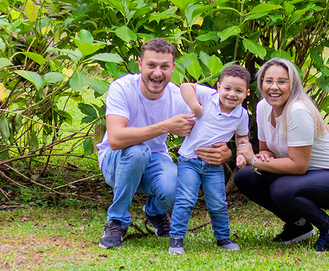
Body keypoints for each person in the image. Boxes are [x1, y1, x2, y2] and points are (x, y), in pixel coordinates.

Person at [94, 39, 232, 249]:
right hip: (117, 160)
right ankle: (117, 221)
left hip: (155, 158)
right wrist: (165, 126)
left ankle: (154, 211)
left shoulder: (179, 97)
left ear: (173, 68)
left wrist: (225, 151)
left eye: (164, 67)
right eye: (151, 65)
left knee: (180, 187)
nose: (157, 73)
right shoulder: (122, 88)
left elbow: (213, 125)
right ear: (140, 65)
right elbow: (116, 139)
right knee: (138, 151)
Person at [233, 58, 329, 252]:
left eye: (282, 81)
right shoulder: (262, 107)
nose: (274, 87)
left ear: (292, 84)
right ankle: (299, 226)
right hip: (308, 174)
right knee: (245, 177)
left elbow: (298, 166)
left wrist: (254, 161)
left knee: (281, 189)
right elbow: (266, 149)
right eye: (268, 81)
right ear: (261, 83)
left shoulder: (298, 110)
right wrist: (262, 157)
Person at [168, 66, 256, 255]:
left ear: (246, 93)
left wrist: (241, 155)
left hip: (213, 165)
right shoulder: (208, 97)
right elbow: (185, 87)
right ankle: (176, 238)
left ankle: (223, 237)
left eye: (239, 91)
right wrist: (196, 108)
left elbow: (242, 139)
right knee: (186, 199)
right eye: (227, 89)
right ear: (218, 87)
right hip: (189, 160)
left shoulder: (241, 115)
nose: (232, 94)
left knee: (217, 201)